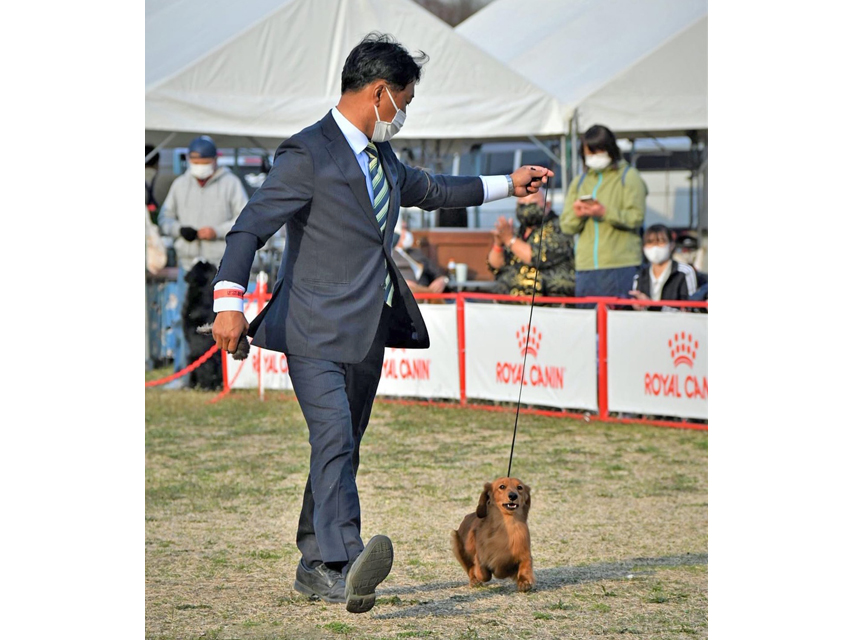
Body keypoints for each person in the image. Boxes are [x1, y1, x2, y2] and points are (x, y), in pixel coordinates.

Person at [210, 32, 553, 613]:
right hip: (312, 331)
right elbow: (249, 226)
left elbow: (436, 188)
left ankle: (312, 560)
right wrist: (227, 301)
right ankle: (345, 563)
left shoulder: (383, 157)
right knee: (336, 439)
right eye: (405, 103)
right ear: (379, 94)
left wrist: (506, 184)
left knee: (340, 447)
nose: (404, 116)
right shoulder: (306, 154)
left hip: (367, 332)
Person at [157, 135, 248, 388]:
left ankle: (224, 376)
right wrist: (179, 229)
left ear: (215, 160)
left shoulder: (231, 184)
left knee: (222, 321)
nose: (199, 166)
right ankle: (184, 374)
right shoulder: (180, 185)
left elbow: (245, 218)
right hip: (189, 268)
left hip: (220, 268)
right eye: (195, 161)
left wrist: (217, 231)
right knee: (181, 320)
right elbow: (165, 219)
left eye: (204, 161)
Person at [559, 124, 646, 304]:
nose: (594, 156)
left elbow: (636, 217)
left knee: (618, 326)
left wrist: (605, 212)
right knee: (589, 325)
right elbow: (566, 225)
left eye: (598, 151)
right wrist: (578, 214)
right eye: (589, 152)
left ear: (610, 149)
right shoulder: (579, 181)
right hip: (585, 266)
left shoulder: (628, 176)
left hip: (620, 265)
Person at [487, 190, 575, 298]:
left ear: (547, 205)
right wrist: (498, 244)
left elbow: (537, 256)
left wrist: (510, 239)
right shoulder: (517, 232)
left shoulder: (559, 228)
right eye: (522, 204)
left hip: (549, 302)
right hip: (510, 303)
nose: (526, 208)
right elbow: (496, 266)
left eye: (532, 203)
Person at [628, 224, 698, 312]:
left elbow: (691, 309)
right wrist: (636, 305)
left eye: (661, 242)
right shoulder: (640, 275)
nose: (655, 247)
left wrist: (651, 305)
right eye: (650, 242)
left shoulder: (684, 272)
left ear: (671, 245)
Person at [391, 220, 450, 294]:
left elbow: (437, 271)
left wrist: (442, 280)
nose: (407, 232)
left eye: (407, 228)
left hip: (427, 295)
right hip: (404, 295)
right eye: (403, 228)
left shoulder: (416, 253)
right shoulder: (389, 255)